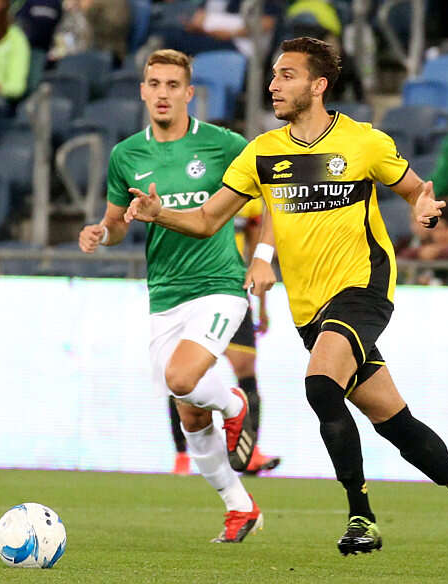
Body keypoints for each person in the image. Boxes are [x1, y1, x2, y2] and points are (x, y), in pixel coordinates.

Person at [125, 37, 448, 570]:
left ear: (318, 85)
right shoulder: (262, 152)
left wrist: (424, 208)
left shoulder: (364, 142)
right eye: (273, 75)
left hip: (363, 287)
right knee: (393, 421)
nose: (273, 85)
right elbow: (209, 219)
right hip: (309, 309)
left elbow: (416, 189)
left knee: (321, 384)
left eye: (286, 75)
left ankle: (361, 516)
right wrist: (158, 213)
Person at [78, 49, 262, 543]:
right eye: (154, 84)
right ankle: (239, 507)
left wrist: (262, 256)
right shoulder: (126, 156)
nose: (163, 93)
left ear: (189, 93)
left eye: (173, 85)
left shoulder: (223, 145)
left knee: (181, 378)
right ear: (142, 91)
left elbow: (270, 197)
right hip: (164, 294)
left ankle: (234, 402)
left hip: (219, 286)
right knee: (189, 412)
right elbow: (118, 224)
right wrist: (101, 233)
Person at [168, 197, 281, 477]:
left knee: (245, 368)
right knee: (183, 372)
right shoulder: (190, 187)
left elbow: (256, 244)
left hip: (232, 286)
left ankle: (250, 451)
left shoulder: (247, 194)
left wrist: (262, 304)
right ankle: (182, 454)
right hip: (192, 287)